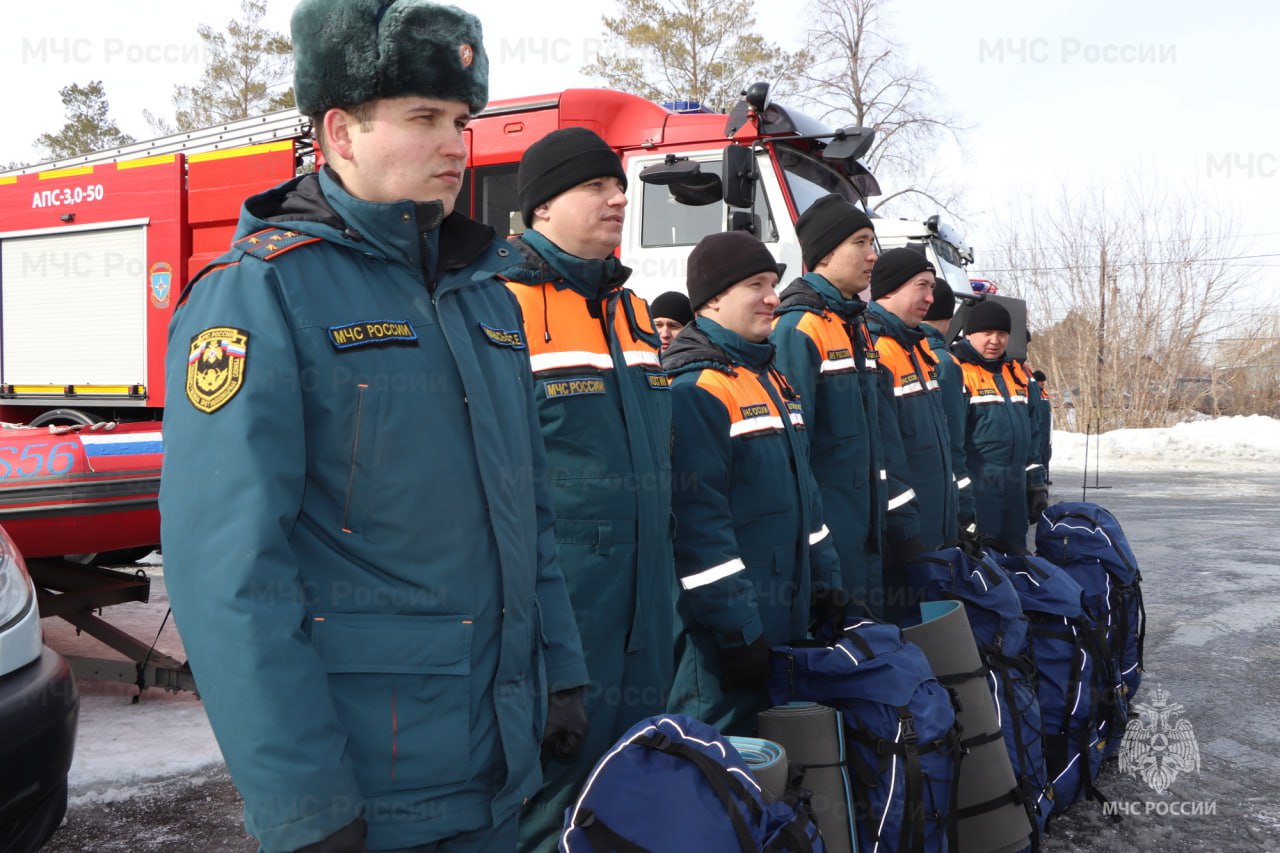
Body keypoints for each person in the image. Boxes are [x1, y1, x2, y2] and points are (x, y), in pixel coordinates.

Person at [158, 3, 589, 851]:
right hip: (372, 786)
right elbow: (229, 576)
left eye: (462, 120)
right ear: (339, 132)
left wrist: (561, 672)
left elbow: (530, 511)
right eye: (424, 118)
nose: (456, 145)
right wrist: (303, 803)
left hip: (498, 772)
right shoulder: (261, 294)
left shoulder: (483, 295)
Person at [499, 127, 677, 853]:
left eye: (619, 186)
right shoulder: (501, 306)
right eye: (595, 187)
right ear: (542, 207)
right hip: (562, 616)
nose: (617, 198)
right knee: (548, 807)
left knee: (633, 792)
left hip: (646, 615)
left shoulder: (633, 313)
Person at [663, 231, 842, 736]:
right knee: (718, 766)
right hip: (724, 639)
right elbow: (699, 532)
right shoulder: (696, 389)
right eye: (757, 285)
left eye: (774, 284)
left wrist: (827, 582)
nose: (773, 297)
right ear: (713, 298)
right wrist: (738, 632)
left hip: (783, 615)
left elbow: (807, 495)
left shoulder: (770, 378)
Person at [770, 195, 891, 615]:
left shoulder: (852, 325)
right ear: (825, 253)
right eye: (861, 242)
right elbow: (794, 454)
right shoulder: (798, 329)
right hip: (830, 538)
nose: (873, 255)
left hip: (864, 531)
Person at [865, 248, 957, 616]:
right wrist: (905, 530)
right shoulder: (878, 348)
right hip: (905, 533)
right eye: (922, 286)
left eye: (932, 287)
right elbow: (885, 453)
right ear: (890, 288)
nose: (931, 299)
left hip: (935, 524)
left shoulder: (917, 349)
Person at [951, 300, 1047, 552]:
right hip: (980, 493)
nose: (995, 340)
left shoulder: (1017, 374)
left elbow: (1033, 437)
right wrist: (961, 501)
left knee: (1017, 560)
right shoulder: (958, 372)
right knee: (982, 565)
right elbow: (953, 446)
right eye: (987, 333)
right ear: (969, 334)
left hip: (1014, 493)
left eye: (1002, 334)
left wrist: (1036, 484)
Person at [920, 278, 976, 535]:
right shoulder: (944, 362)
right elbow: (953, 435)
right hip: (938, 489)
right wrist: (964, 504)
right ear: (949, 320)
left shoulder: (888, 348)